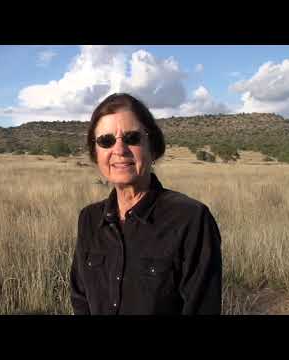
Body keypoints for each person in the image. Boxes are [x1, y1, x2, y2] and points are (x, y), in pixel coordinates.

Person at [70, 93, 222, 315]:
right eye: (106, 141)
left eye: (132, 138)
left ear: (153, 146)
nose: (119, 150)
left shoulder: (191, 219)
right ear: (96, 153)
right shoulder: (89, 219)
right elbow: (80, 299)